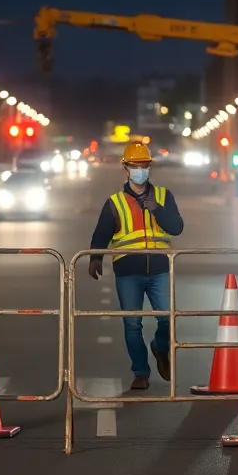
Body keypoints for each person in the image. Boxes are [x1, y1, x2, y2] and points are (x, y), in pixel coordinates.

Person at [88, 141, 185, 389]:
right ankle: (141, 373)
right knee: (132, 324)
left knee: (167, 318)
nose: (140, 169)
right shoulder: (115, 202)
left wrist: (156, 209)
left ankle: (160, 348)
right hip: (127, 272)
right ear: (126, 168)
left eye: (144, 165)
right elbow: (101, 233)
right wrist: (95, 258)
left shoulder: (164, 196)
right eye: (135, 165)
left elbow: (176, 227)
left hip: (160, 269)